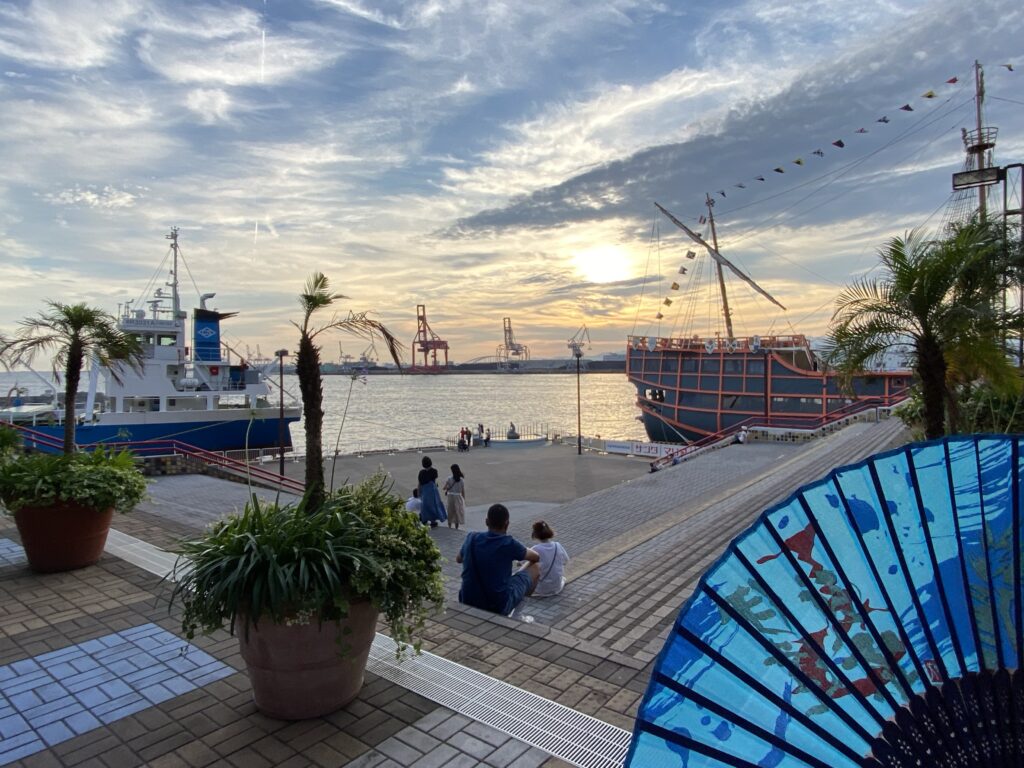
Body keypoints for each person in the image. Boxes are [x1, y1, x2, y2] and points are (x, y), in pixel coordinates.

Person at [456, 503, 539, 616]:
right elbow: (536, 557)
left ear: (486, 522)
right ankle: (517, 615)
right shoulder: (509, 543)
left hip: (467, 600)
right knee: (535, 568)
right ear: (507, 523)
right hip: (497, 607)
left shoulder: (472, 538)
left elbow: (458, 559)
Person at [530, 521, 569, 597]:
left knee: (529, 569)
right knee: (562, 578)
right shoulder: (557, 545)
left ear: (535, 534)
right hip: (557, 586)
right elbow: (565, 560)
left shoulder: (535, 549)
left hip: (541, 589)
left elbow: (522, 563)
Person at [417, 456, 446, 527]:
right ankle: (433, 521)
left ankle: (424, 519)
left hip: (425, 490)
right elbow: (434, 481)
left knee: (425, 505)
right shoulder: (434, 471)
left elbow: (419, 483)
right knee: (434, 505)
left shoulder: (421, 473)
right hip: (433, 490)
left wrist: (418, 492)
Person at [443, 463, 466, 530]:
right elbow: (463, 491)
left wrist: (448, 487)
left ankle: (449, 526)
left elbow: (444, 488)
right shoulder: (461, 480)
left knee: (450, 512)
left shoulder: (449, 478)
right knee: (457, 513)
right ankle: (456, 527)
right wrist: (464, 499)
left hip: (450, 497)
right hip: (458, 497)